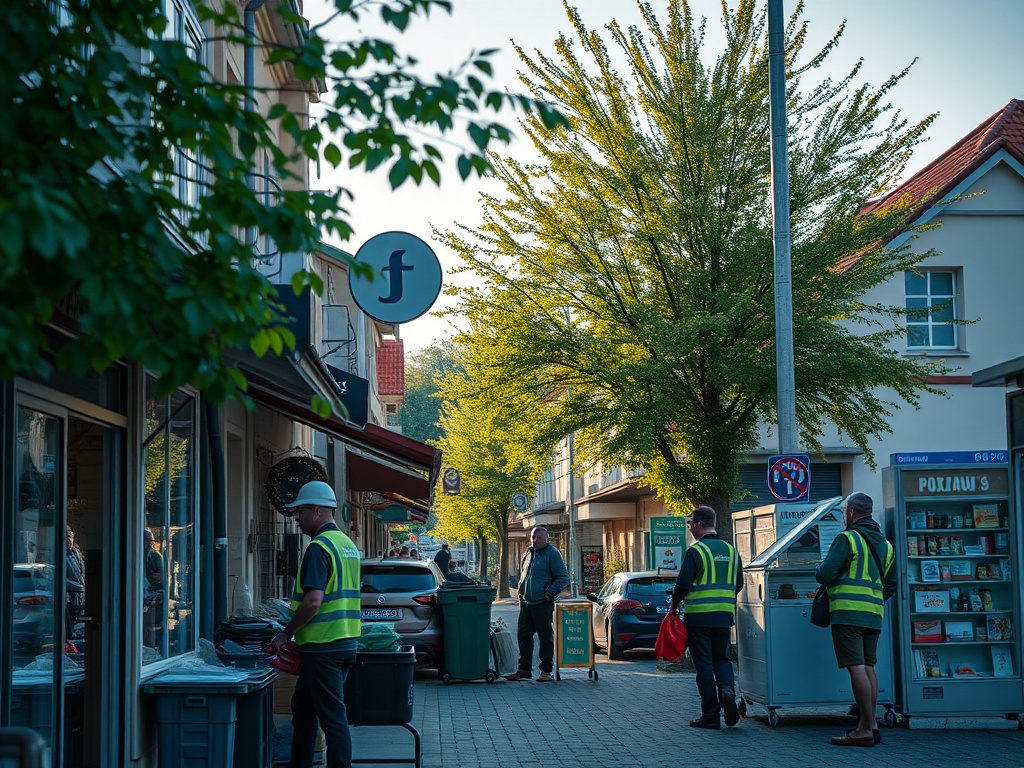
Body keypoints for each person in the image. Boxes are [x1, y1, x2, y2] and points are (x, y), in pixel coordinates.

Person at [268, 480, 361, 768]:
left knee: (333, 718)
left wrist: (287, 633)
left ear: (317, 511)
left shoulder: (318, 548)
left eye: (300, 512)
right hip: (343, 642)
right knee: (304, 710)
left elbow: (312, 601)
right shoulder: (347, 545)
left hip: (324, 647)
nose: (296, 518)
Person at [816, 492, 895, 748]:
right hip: (873, 614)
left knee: (856, 667)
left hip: (848, 612)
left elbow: (826, 574)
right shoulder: (885, 544)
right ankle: (871, 724)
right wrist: (875, 600)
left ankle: (862, 729)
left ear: (850, 512)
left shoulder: (847, 538)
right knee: (868, 666)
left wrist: (819, 569)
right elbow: (891, 583)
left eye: (844, 512)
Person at [670, 506, 743, 730]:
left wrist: (674, 605)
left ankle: (711, 715)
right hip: (723, 617)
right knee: (722, 659)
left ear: (700, 523)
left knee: (704, 665)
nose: (690, 528)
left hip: (699, 618)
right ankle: (728, 692)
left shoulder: (696, 551)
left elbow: (682, 585)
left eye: (691, 524)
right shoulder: (731, 550)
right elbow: (738, 583)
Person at [505, 526, 569, 682]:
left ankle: (546, 671)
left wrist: (548, 594)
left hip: (542, 603)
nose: (535, 540)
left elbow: (563, 578)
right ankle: (524, 669)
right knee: (523, 636)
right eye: (533, 537)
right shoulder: (529, 552)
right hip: (526, 603)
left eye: (538, 537)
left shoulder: (552, 554)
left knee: (545, 637)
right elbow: (524, 574)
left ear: (546, 538)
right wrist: (521, 592)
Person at [143, 527, 165, 648]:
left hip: (154, 594)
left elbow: (161, 578)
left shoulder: (155, 556)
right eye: (144, 539)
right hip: (146, 594)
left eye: (148, 540)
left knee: (152, 626)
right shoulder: (141, 555)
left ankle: (153, 647)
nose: (145, 542)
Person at [65, 526, 85, 639]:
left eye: (71, 537)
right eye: (67, 537)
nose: (69, 540)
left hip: (79, 599)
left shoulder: (76, 552)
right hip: (69, 599)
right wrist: (78, 587)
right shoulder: (60, 553)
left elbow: (82, 572)